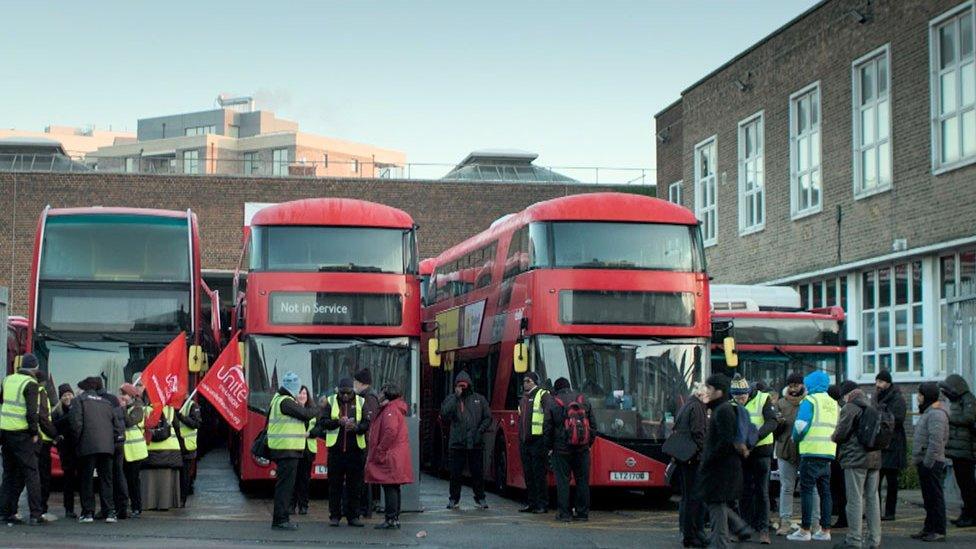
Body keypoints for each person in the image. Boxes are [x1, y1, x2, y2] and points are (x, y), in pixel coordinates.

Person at [698, 373, 751, 548]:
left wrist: (708, 460)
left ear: (719, 391)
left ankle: (720, 542)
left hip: (720, 468)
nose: (707, 391)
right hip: (723, 467)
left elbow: (725, 441)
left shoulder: (723, 411)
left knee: (716, 504)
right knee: (715, 503)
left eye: (710, 388)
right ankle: (738, 527)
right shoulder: (721, 409)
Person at [787, 370, 837, 542]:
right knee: (825, 492)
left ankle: (805, 529)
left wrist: (795, 437)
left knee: (807, 490)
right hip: (828, 452)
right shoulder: (833, 403)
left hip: (811, 451)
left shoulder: (810, 400)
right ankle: (825, 529)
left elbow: (801, 425)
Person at [312, 378, 369, 527]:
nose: (345, 396)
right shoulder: (331, 401)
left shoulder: (361, 402)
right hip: (336, 451)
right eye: (342, 392)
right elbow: (323, 422)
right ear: (338, 390)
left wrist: (356, 427)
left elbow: (367, 423)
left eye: (348, 393)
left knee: (355, 486)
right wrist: (338, 422)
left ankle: (353, 516)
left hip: (355, 451)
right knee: (334, 486)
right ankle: (335, 516)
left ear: (353, 391)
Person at [831, 380, 882, 549]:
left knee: (854, 499)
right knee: (873, 499)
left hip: (855, 460)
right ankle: (874, 540)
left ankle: (854, 539)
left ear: (847, 394)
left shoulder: (850, 407)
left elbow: (840, 434)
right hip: (874, 458)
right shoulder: (871, 404)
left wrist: (832, 436)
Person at [267, 372, 319, 530]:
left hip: (284, 449)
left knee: (284, 485)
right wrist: (321, 408)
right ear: (293, 387)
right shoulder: (286, 401)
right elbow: (306, 414)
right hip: (286, 449)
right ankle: (281, 520)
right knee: (285, 487)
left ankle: (281, 518)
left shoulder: (278, 399)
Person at [69, 376, 124, 523]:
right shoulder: (107, 403)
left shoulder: (79, 401)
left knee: (86, 480)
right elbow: (117, 427)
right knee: (106, 480)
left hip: (87, 446)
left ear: (84, 389)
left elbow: (76, 425)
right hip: (107, 447)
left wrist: (75, 444)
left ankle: (88, 513)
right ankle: (110, 512)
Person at [732, 376, 779, 545]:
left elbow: (772, 422)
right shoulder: (732, 404)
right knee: (744, 492)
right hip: (743, 453)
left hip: (761, 450)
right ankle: (744, 528)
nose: (740, 401)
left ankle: (763, 530)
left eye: (742, 397)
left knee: (761, 492)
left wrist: (755, 436)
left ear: (748, 392)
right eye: (736, 398)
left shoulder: (762, 398)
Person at [774, 373, 821, 537]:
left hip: (805, 449)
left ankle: (815, 523)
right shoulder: (780, 403)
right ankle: (785, 522)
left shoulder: (809, 402)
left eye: (797, 385)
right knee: (787, 487)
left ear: (802, 385)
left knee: (810, 488)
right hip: (785, 449)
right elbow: (774, 429)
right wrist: (777, 424)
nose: (794, 388)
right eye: (791, 385)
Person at [546, 377, 597, 522]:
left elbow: (547, 428)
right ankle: (582, 513)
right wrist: (587, 443)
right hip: (582, 449)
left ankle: (564, 513)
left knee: (563, 482)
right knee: (582, 481)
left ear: (556, 389)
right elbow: (593, 426)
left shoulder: (553, 401)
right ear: (569, 386)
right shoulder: (583, 399)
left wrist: (549, 447)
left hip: (561, 450)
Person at [0, 356, 44, 525]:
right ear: (35, 368)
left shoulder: (7, 380)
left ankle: (5, 512)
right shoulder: (31, 384)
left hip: (5, 432)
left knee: (9, 474)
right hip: (22, 433)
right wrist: (34, 432)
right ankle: (35, 514)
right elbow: (32, 412)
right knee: (31, 473)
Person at [439, 371, 491, 510]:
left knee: (477, 473)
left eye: (464, 385)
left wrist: (479, 432)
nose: (462, 388)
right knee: (455, 474)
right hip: (457, 443)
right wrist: (455, 398)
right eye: (459, 385)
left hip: (475, 442)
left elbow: (487, 417)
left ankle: (480, 497)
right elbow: (444, 414)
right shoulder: (452, 399)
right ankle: (454, 498)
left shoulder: (479, 399)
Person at [365, 383, 414, 530]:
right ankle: (394, 518)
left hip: (389, 455)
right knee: (394, 486)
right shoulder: (396, 408)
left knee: (389, 486)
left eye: (381, 393)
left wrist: (380, 450)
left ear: (386, 395)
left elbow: (390, 432)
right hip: (396, 455)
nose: (378, 395)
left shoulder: (390, 410)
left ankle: (390, 518)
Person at [665, 381, 708, 547]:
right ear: (702, 394)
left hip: (683, 458)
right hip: (694, 459)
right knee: (695, 498)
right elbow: (699, 433)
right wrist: (705, 453)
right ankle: (693, 535)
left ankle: (687, 533)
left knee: (687, 498)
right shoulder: (697, 408)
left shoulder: (686, 406)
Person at [912, 382, 950, 543]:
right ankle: (929, 528)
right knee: (928, 498)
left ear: (926, 396)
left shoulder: (936, 414)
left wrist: (928, 462)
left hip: (932, 462)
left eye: (920, 394)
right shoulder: (929, 412)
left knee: (935, 497)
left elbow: (936, 441)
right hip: (926, 461)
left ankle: (939, 530)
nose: (918, 398)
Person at [939, 374, 976, 527]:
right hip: (957, 450)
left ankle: (971, 514)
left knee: (968, 485)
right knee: (964, 485)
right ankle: (966, 513)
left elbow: (969, 418)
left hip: (965, 450)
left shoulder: (968, 400)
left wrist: (949, 418)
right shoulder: (957, 401)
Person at [517, 372, 551, 514]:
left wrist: (547, 440)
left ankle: (542, 504)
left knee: (539, 475)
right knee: (529, 474)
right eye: (524, 380)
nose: (525, 383)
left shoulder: (543, 395)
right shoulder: (523, 398)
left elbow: (549, 417)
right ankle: (532, 503)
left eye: (528, 380)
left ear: (535, 382)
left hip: (538, 441)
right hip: (526, 441)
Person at [874, 369, 906, 521]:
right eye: (877, 381)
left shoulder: (896, 398)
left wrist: (882, 415)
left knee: (892, 481)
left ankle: (890, 512)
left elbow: (898, 419)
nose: (877, 384)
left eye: (880, 382)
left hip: (893, 445)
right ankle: (876, 510)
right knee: (876, 481)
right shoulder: (878, 397)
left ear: (888, 383)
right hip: (882, 445)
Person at [143, 399, 183, 511]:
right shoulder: (170, 410)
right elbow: (178, 428)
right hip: (170, 450)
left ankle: (148, 503)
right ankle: (165, 504)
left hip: (149, 449)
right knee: (166, 480)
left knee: (149, 480)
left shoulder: (145, 410)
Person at [354, 368, 381, 518]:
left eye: (355, 382)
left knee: (365, 477)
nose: (353, 385)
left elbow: (369, 422)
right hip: (366, 442)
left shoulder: (368, 398)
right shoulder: (367, 396)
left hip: (366, 443)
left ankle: (367, 508)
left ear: (361, 383)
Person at [34, 370, 59, 523]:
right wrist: (55, 434)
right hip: (41, 440)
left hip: (32, 438)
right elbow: (43, 418)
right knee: (42, 478)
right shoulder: (40, 392)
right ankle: (40, 510)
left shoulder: (31, 390)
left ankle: (9, 510)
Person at [119, 384, 147, 518]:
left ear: (131, 396)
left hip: (135, 451)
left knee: (133, 481)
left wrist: (123, 409)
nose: (122, 397)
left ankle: (137, 507)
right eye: (121, 394)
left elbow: (129, 422)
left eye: (124, 394)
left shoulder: (138, 408)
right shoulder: (126, 408)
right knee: (125, 480)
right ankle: (127, 506)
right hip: (125, 451)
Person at [51, 383, 79, 519]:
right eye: (64, 395)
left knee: (81, 480)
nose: (68, 397)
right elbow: (54, 426)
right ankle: (69, 509)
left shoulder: (78, 408)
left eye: (69, 394)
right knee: (68, 481)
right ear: (60, 397)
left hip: (79, 448)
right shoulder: (56, 412)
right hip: (66, 451)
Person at [290, 385, 316, 516]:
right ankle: (291, 505)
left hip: (308, 449)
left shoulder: (313, 411)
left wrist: (310, 434)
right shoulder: (291, 409)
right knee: (293, 479)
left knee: (304, 479)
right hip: (294, 448)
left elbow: (319, 428)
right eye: (300, 393)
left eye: (304, 394)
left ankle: (303, 506)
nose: (302, 396)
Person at [174, 396, 202, 507]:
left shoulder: (192, 405)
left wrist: (180, 417)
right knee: (177, 474)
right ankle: (176, 498)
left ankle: (182, 499)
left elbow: (196, 424)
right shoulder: (172, 404)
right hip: (175, 445)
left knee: (184, 475)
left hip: (187, 446)